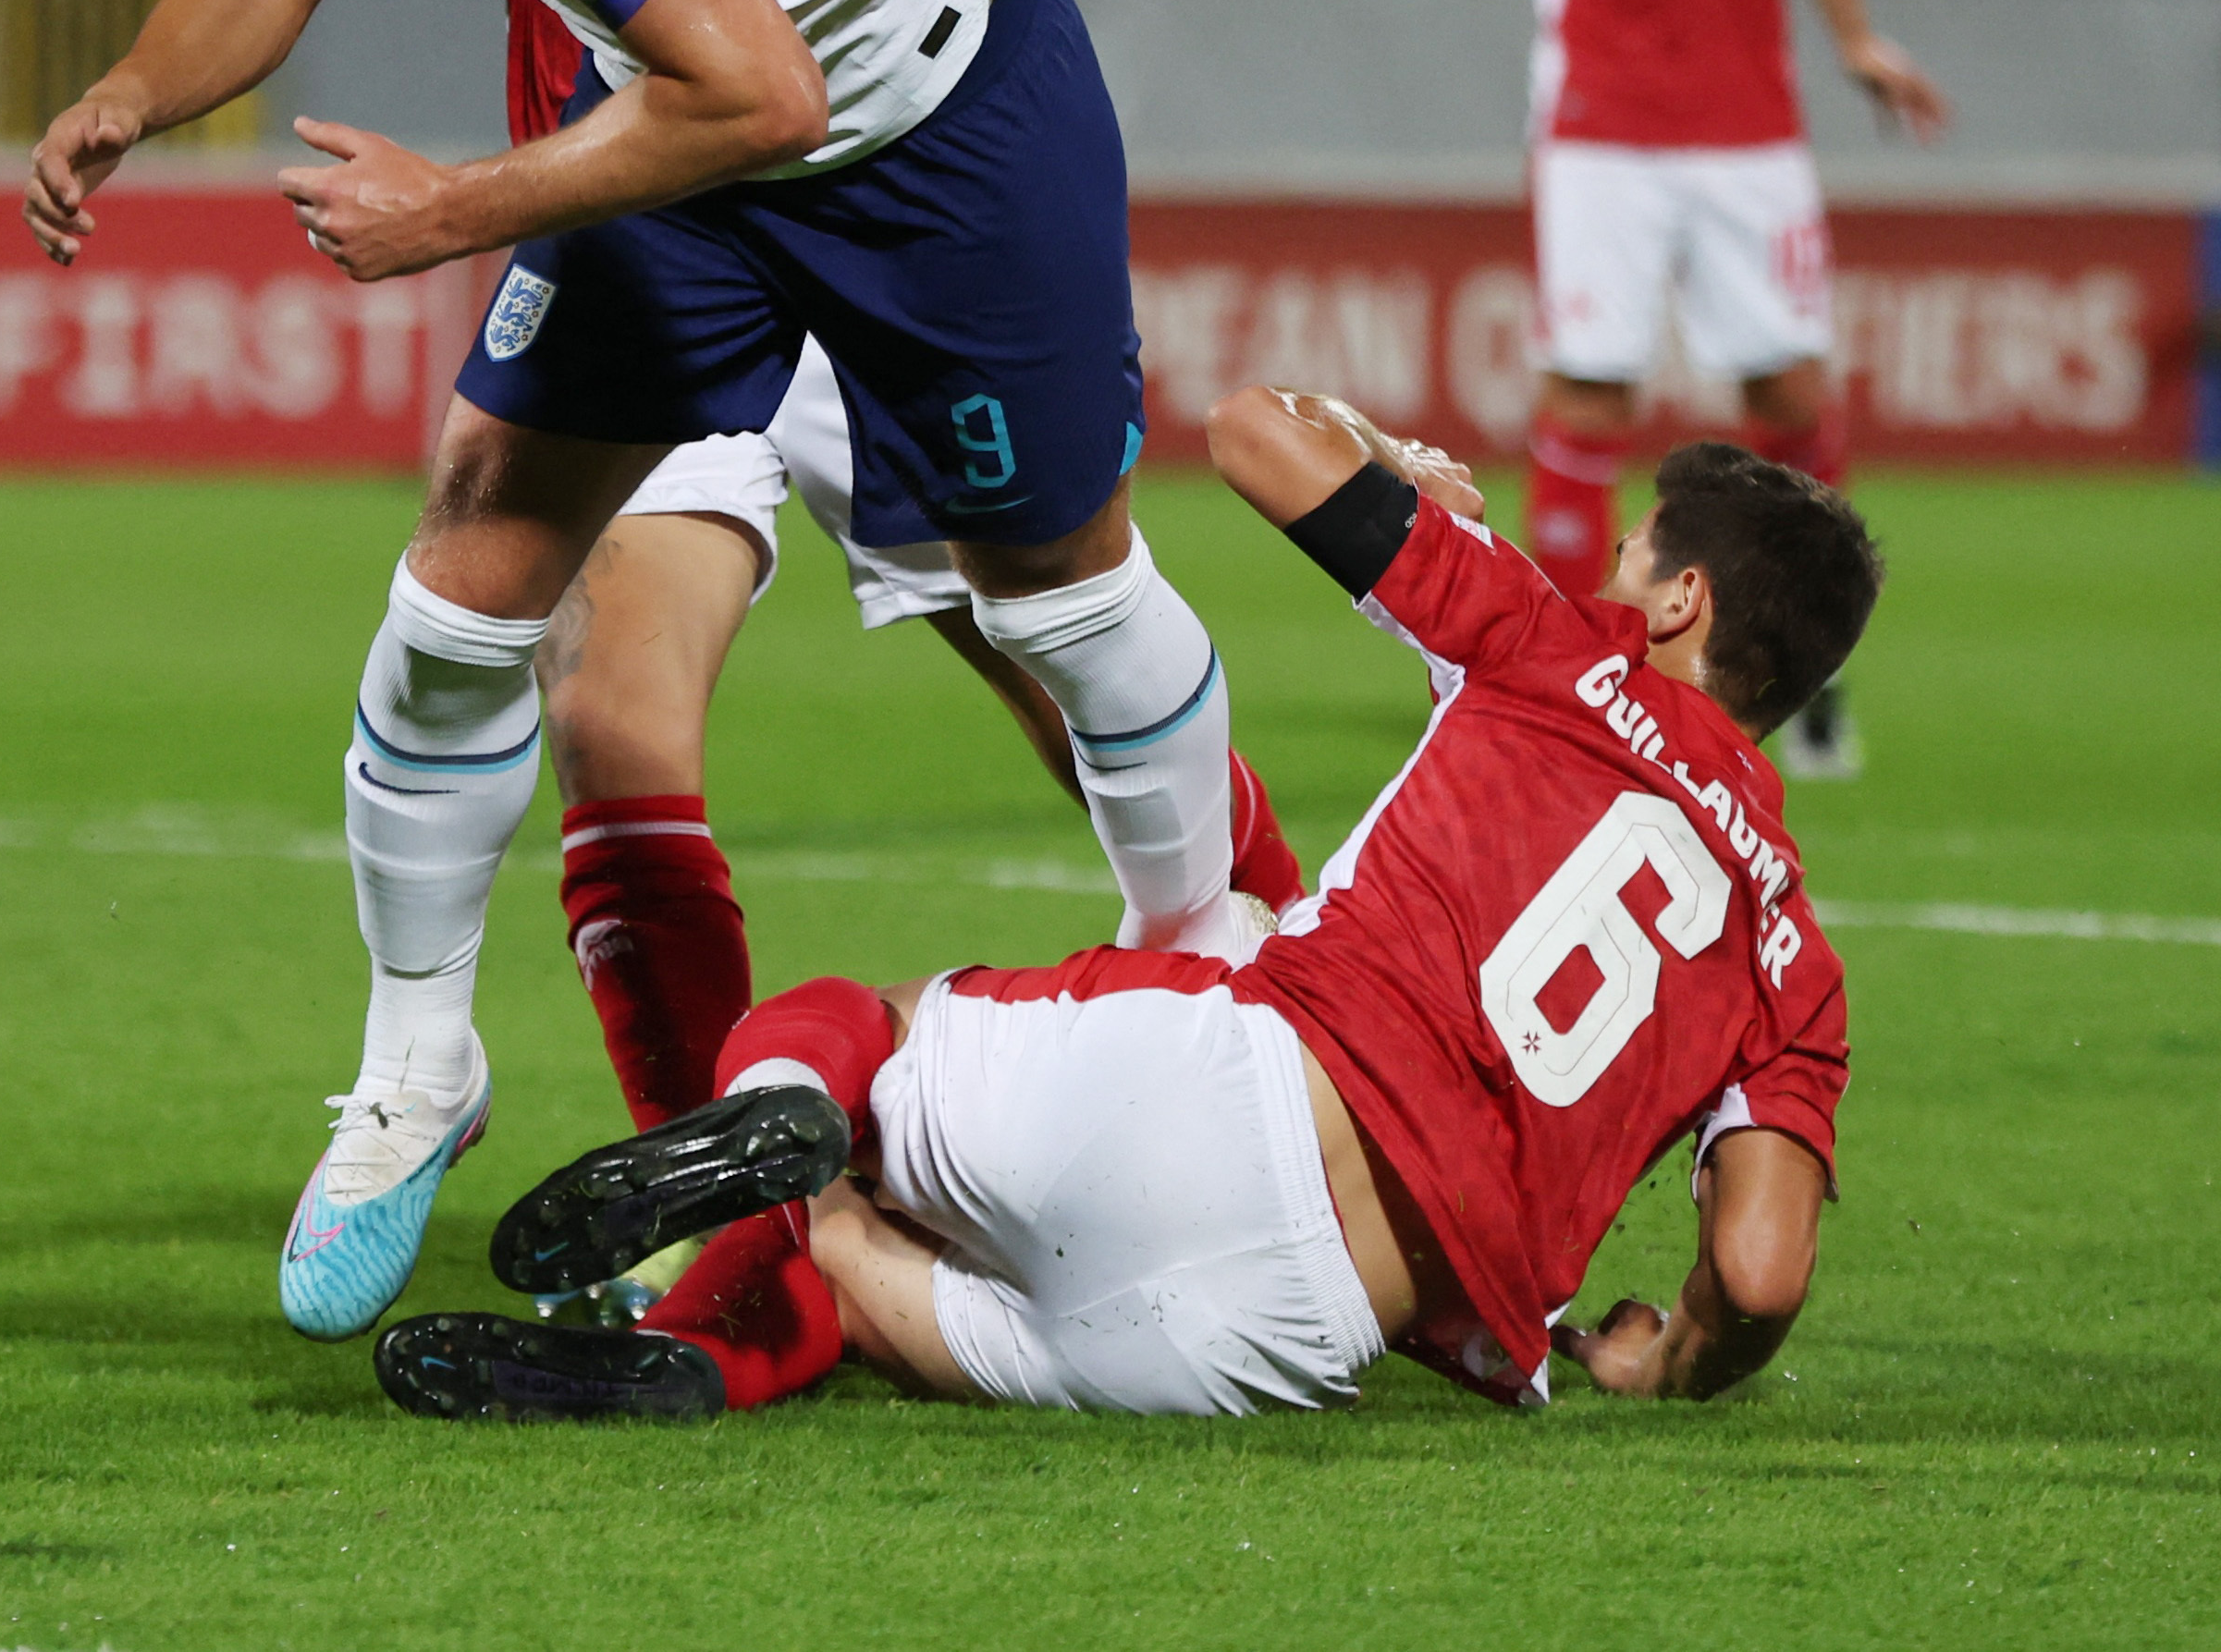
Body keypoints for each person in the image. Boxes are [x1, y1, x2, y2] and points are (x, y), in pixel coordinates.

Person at [17, 0, 1251, 1345]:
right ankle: (421, 1064)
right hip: (701, 136)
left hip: (928, 117)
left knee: (1064, 599)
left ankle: (1214, 977)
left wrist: (455, 212)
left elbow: (769, 90)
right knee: (469, 570)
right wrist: (123, 95)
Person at [275, 0, 1302, 1193]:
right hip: (656, 217)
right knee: (611, 704)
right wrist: (146, 90)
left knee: (1052, 627)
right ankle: (704, 1192)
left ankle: (1274, 986)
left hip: (878, 195)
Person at [373, 397, 1877, 1425]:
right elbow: (1757, 1270)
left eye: (1630, 558)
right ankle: (688, 1366)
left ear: (1679, 602)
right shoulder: (1794, 963)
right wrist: (1669, 1358)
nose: (1606, 577)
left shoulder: (1555, 651)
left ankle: (775, 1110)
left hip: (1236, 1095)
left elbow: (1249, 434)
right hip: (1290, 1336)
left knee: (840, 1029)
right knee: (841, 1264)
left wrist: (1379, 453)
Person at [1422, 0, 1946, 778]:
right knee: (1586, 394)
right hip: (1602, 128)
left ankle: (1800, 670)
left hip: (1752, 129)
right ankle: (1555, 688)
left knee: (1790, 399)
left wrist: (1856, 37)